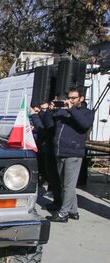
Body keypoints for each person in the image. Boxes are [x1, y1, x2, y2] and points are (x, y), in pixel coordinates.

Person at [45, 88, 94, 223]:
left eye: (74, 98)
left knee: (69, 185)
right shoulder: (63, 111)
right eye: (69, 97)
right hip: (60, 151)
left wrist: (71, 109)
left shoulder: (86, 112)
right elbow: (49, 125)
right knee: (64, 184)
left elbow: (84, 125)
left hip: (74, 152)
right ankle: (74, 211)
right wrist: (51, 110)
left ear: (81, 99)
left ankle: (63, 213)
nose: (70, 100)